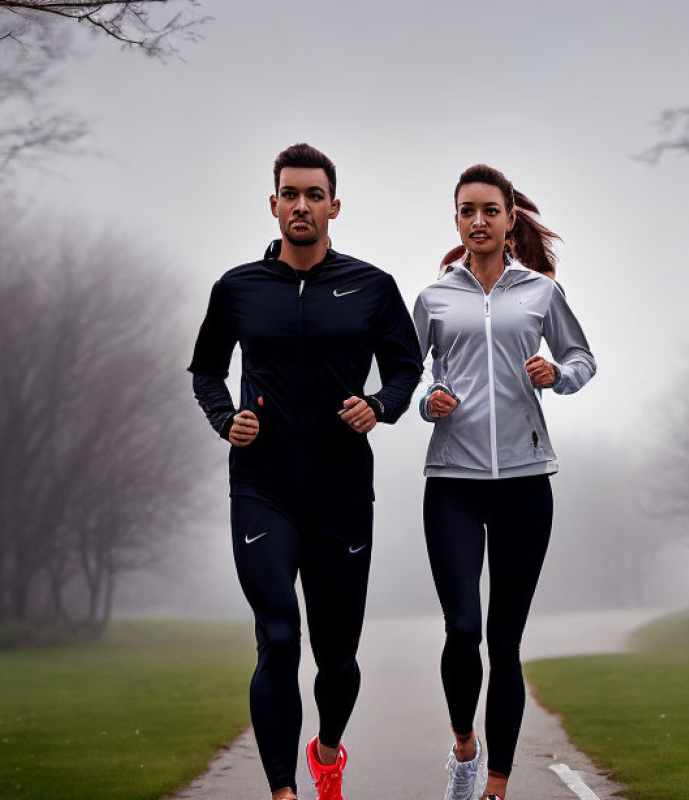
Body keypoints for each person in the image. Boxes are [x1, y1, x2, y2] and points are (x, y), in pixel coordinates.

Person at [188, 143, 421, 800]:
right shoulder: (238, 288)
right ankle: (284, 792)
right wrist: (225, 418)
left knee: (337, 656)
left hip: (343, 491)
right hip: (261, 487)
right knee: (279, 637)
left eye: (313, 194)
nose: (300, 205)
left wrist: (379, 407)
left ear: (333, 206)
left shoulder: (372, 287)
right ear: (274, 203)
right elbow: (206, 371)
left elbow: (406, 370)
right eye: (289, 194)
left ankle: (325, 749)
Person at [413, 164, 596, 800]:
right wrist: (430, 395)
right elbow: (409, 374)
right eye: (468, 210)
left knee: (503, 639)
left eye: (491, 210)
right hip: (453, 484)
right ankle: (465, 745)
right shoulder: (435, 297)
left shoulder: (539, 293)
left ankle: (494, 785)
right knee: (462, 628)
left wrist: (557, 376)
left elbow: (582, 358)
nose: (479, 221)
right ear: (457, 219)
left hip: (524, 483)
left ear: (510, 218)